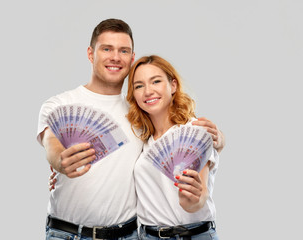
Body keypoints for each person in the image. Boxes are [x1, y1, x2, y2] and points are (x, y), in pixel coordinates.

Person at [38, 18, 225, 240]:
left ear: (131, 58)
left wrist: (219, 140)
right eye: (107, 48)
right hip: (68, 233)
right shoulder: (60, 104)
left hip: (128, 235)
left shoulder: (140, 116)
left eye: (123, 50)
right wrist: (59, 162)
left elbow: (196, 168)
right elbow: (51, 144)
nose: (115, 57)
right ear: (90, 54)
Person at [126, 55, 221, 240]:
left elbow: (199, 197)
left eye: (156, 81)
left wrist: (193, 200)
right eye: (139, 86)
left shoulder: (194, 131)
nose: (148, 91)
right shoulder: (142, 140)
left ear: (173, 86)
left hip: (191, 234)